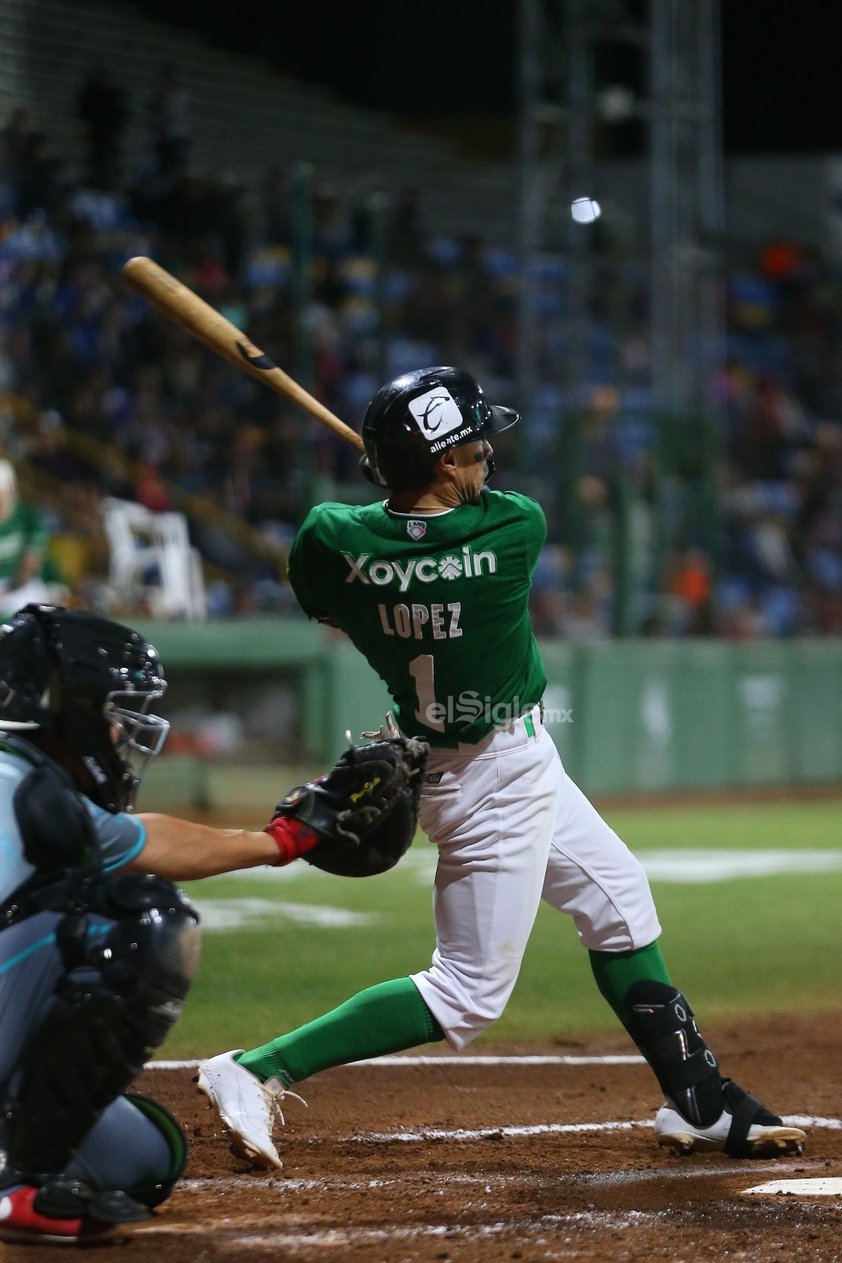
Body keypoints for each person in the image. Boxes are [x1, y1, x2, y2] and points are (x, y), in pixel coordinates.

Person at [198, 366, 807, 1170]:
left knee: (619, 902)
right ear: (445, 465)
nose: (488, 456)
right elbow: (461, 526)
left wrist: (393, 508)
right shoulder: (515, 527)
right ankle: (253, 1067)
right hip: (486, 778)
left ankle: (696, 1099)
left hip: (484, 756)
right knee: (466, 991)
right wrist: (410, 501)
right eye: (474, 447)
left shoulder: (330, 539)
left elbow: (332, 560)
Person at [0, 602, 425, 1244]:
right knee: (138, 922)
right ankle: (19, 1190)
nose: (122, 733)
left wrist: (283, 840)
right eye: (115, 713)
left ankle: (18, 1149)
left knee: (140, 1164)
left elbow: (150, 841)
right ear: (71, 706)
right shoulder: (13, 783)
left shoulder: (31, 786)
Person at [0, 459, 67, 619]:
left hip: (15, 585)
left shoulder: (28, 518)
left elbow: (28, 567)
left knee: (28, 612)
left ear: (11, 490)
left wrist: (6, 591)